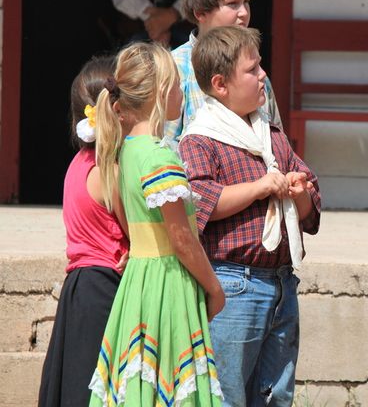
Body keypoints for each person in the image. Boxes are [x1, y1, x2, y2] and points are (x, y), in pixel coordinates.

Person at [178, 25, 322, 407]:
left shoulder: (270, 134)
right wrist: (262, 186)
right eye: (253, 70)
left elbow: (310, 204)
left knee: (275, 393)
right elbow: (201, 201)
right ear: (220, 84)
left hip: (281, 284)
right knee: (227, 394)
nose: (262, 77)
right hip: (234, 285)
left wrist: (299, 192)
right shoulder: (200, 138)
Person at [88, 43, 225, 406]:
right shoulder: (159, 154)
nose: (183, 91)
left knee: (142, 384)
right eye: (180, 84)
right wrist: (214, 289)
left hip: (139, 281)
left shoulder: (127, 149)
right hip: (167, 282)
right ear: (163, 91)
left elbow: (132, 221)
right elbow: (181, 239)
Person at [37, 56, 130, 407]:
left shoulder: (79, 165)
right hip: (105, 289)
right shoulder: (111, 172)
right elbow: (137, 236)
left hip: (80, 289)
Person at [164, 0, 283, 141]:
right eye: (232, 4)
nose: (244, 12)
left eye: (246, 1)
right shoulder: (175, 69)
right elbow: (164, 145)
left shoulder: (256, 70)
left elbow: (277, 141)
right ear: (200, 12)